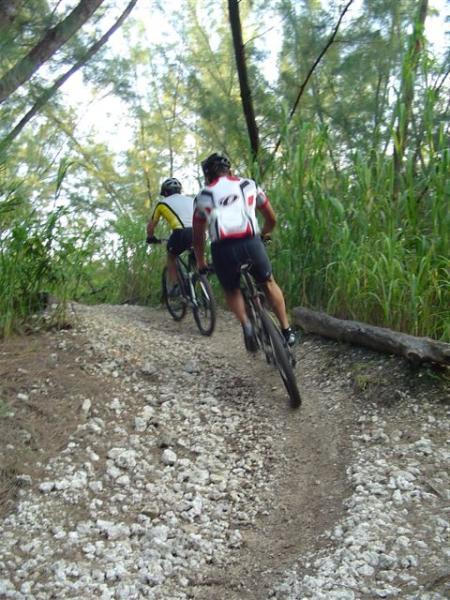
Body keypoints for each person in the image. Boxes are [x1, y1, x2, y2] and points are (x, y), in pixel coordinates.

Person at [193, 152, 296, 352]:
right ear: (230, 170)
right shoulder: (249, 185)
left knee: (232, 289)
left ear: (207, 177)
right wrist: (264, 235)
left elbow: (197, 237)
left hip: (223, 249)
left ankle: (247, 325)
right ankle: (286, 330)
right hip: (251, 242)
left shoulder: (202, 196)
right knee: (268, 282)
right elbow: (271, 219)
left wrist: (201, 262)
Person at [146, 177, 193, 295]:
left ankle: (176, 286)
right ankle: (199, 281)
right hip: (199, 232)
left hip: (181, 232)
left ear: (166, 192)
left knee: (171, 256)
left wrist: (150, 237)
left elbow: (151, 225)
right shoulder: (191, 200)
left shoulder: (162, 204)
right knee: (197, 257)